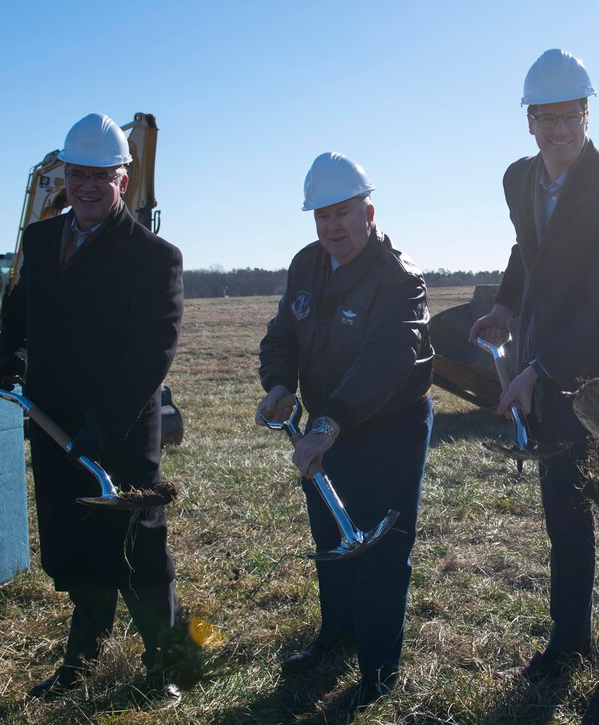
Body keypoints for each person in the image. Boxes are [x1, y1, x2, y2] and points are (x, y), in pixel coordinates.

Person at [469, 49, 599, 725]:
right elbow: (529, 248)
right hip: (550, 385)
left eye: (570, 117)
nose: (559, 130)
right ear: (529, 121)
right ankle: (567, 643)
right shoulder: (519, 179)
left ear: (588, 114)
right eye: (546, 118)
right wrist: (505, 304)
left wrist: (540, 368)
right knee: (565, 521)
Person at [0, 113, 185, 702]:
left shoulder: (153, 256)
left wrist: (106, 420)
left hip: (119, 427)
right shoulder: (43, 239)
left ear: (123, 180)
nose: (88, 187)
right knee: (76, 540)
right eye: (78, 174)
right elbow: (23, 308)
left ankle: (169, 665)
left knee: (139, 546)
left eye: (101, 176)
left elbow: (155, 349)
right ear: (65, 176)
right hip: (53, 421)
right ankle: (82, 661)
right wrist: (12, 356)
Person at [255, 152, 433, 716]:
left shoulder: (399, 279)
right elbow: (283, 333)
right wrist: (279, 383)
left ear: (369, 213)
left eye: (343, 213)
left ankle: (378, 671)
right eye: (322, 215)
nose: (332, 227)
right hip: (324, 428)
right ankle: (335, 638)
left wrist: (330, 422)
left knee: (382, 550)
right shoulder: (307, 265)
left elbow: (385, 362)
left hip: (387, 430)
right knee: (332, 538)